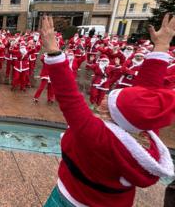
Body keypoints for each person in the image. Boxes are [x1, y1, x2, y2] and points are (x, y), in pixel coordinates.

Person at [40, 14, 174, 207]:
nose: (103, 103)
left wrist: (53, 52)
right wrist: (161, 47)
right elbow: (147, 95)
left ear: (115, 116)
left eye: (109, 104)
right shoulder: (144, 135)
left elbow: (69, 98)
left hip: (69, 199)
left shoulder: (98, 137)